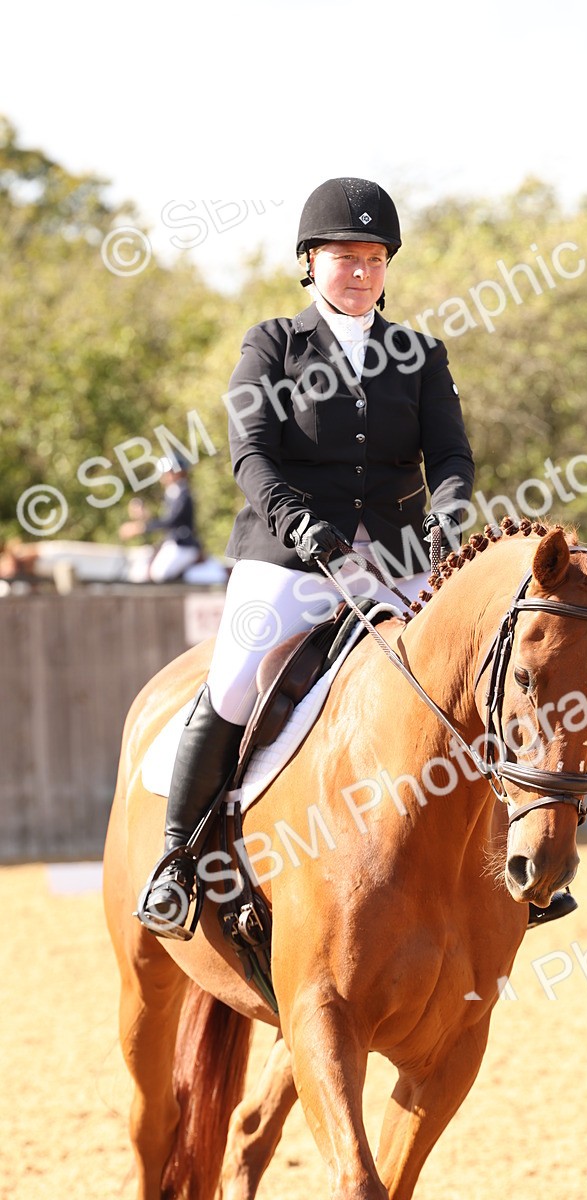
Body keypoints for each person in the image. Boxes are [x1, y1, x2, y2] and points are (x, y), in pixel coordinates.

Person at [136, 176, 475, 937]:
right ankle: (176, 863)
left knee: (471, 675)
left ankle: (505, 861)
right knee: (231, 684)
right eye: (344, 256)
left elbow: (451, 455)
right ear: (311, 262)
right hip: (289, 560)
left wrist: (448, 509)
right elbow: (249, 454)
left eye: (374, 258)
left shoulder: (419, 355)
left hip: (395, 561)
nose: (360, 271)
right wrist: (301, 525)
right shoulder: (272, 345)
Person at [120, 451, 203, 582]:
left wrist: (141, 527)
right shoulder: (173, 493)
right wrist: (146, 519)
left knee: (159, 573)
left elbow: (172, 521)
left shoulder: (182, 493)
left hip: (183, 545)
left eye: (168, 472)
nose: (164, 477)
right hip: (173, 543)